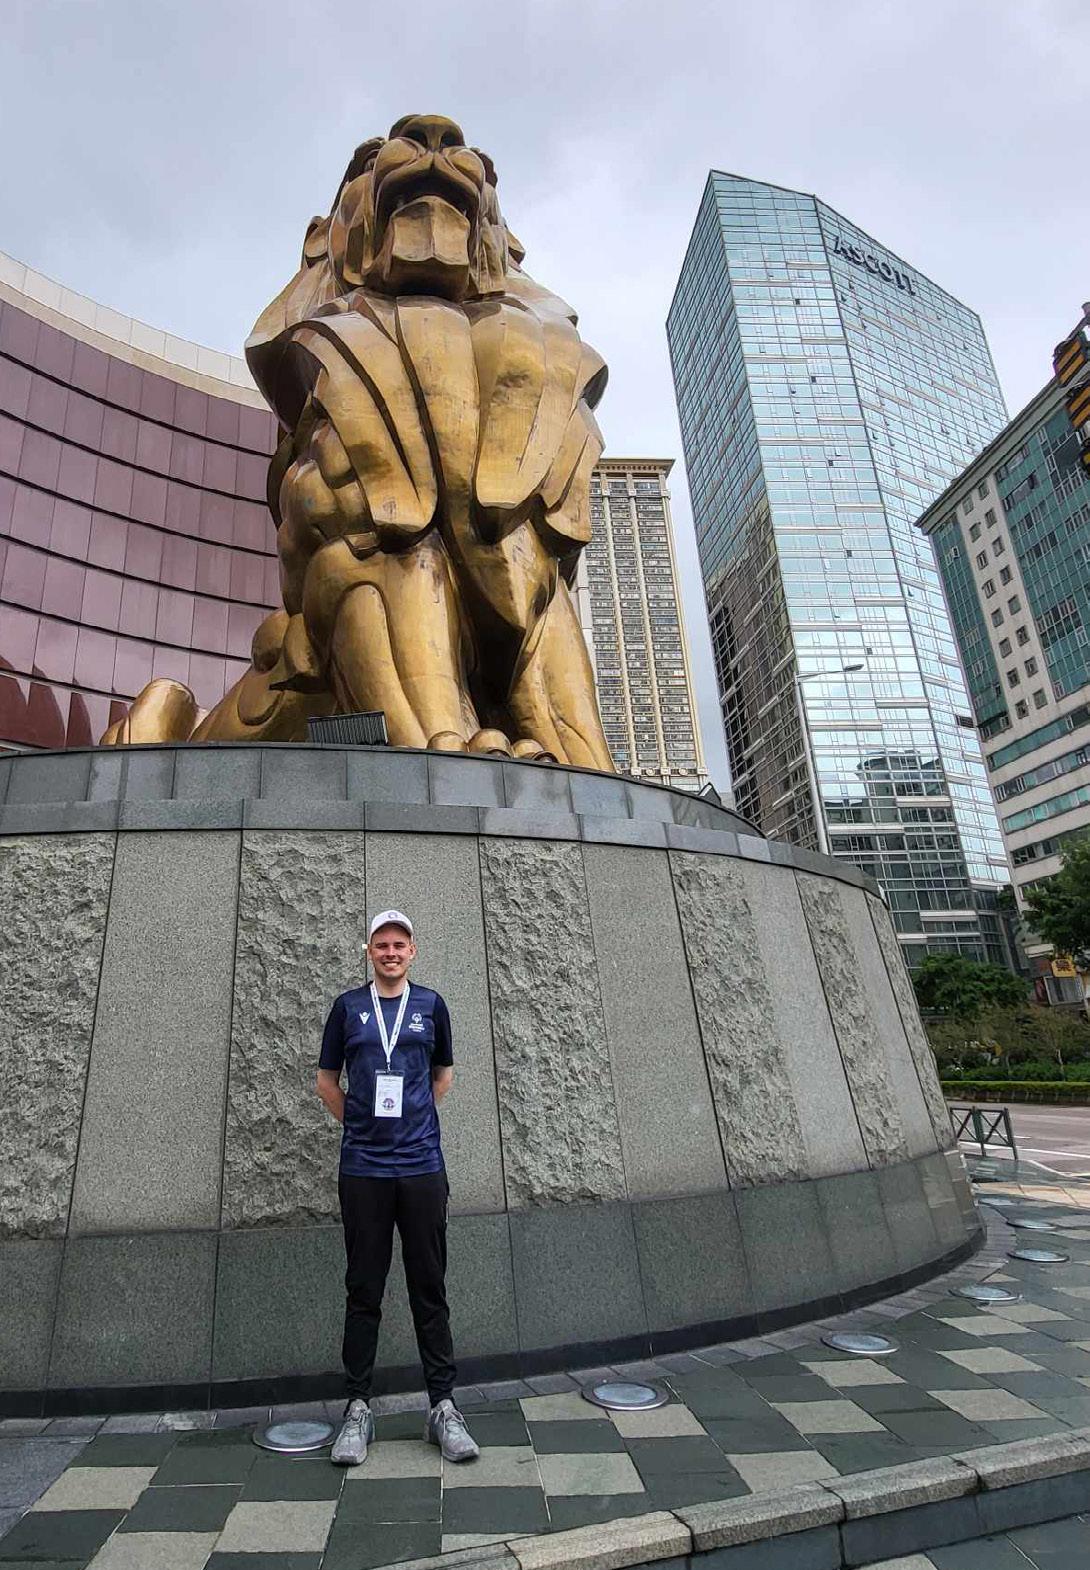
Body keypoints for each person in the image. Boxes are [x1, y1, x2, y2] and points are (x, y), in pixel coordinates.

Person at [317, 909, 479, 1466]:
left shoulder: (431, 1006)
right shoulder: (347, 1008)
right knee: (364, 1289)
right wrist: (362, 1125)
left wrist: (414, 1123)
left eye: (399, 944)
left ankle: (443, 1407)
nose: (390, 952)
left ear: (413, 952)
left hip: (420, 1167)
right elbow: (326, 1082)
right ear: (369, 952)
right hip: (364, 1169)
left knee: (429, 1286)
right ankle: (357, 1409)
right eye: (381, 944)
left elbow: (443, 1076)